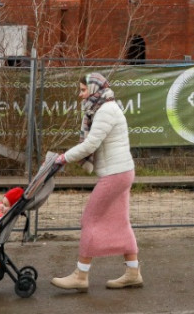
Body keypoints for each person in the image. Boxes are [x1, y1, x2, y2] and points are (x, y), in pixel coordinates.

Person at [50, 72, 142, 292]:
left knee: (90, 219)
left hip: (115, 174)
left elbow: (91, 144)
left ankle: (80, 276)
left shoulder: (105, 110)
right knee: (121, 222)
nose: (80, 95)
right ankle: (133, 272)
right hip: (120, 171)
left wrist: (64, 157)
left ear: (93, 89)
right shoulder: (102, 108)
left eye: (83, 90)